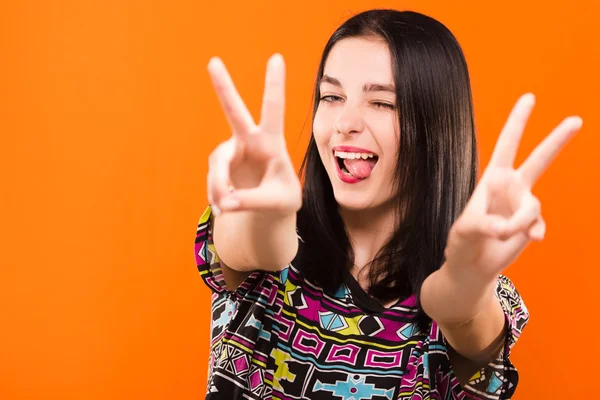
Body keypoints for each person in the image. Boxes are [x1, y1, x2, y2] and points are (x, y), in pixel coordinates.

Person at [194, 9, 582, 400]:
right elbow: (257, 245)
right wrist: (260, 214)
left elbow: (468, 326)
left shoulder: (477, 291)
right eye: (331, 96)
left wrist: (461, 293)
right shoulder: (264, 248)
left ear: (435, 129)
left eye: (382, 103)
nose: (345, 122)